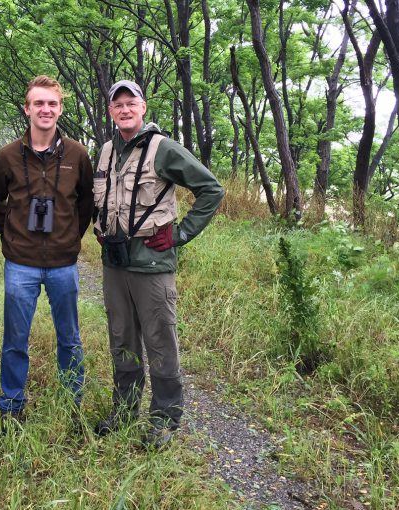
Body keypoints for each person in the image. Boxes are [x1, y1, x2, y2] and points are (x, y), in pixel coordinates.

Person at [92, 80, 224, 447]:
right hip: (114, 263)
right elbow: (100, 198)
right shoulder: (104, 151)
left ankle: (165, 419)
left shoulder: (162, 149)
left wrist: (180, 234)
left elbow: (211, 189)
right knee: (122, 338)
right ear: (111, 112)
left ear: (143, 107)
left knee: (160, 340)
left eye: (130, 102)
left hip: (152, 264)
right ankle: (124, 409)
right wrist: (99, 225)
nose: (124, 109)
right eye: (117, 104)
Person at [0, 75, 94, 420]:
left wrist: (70, 238)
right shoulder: (6, 157)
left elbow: (85, 204)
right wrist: (13, 233)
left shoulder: (78, 154)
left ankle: (71, 403)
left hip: (64, 263)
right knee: (15, 339)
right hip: (21, 264)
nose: (45, 109)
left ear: (60, 108)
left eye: (52, 103)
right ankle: (12, 406)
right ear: (27, 109)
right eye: (39, 103)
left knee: (70, 337)